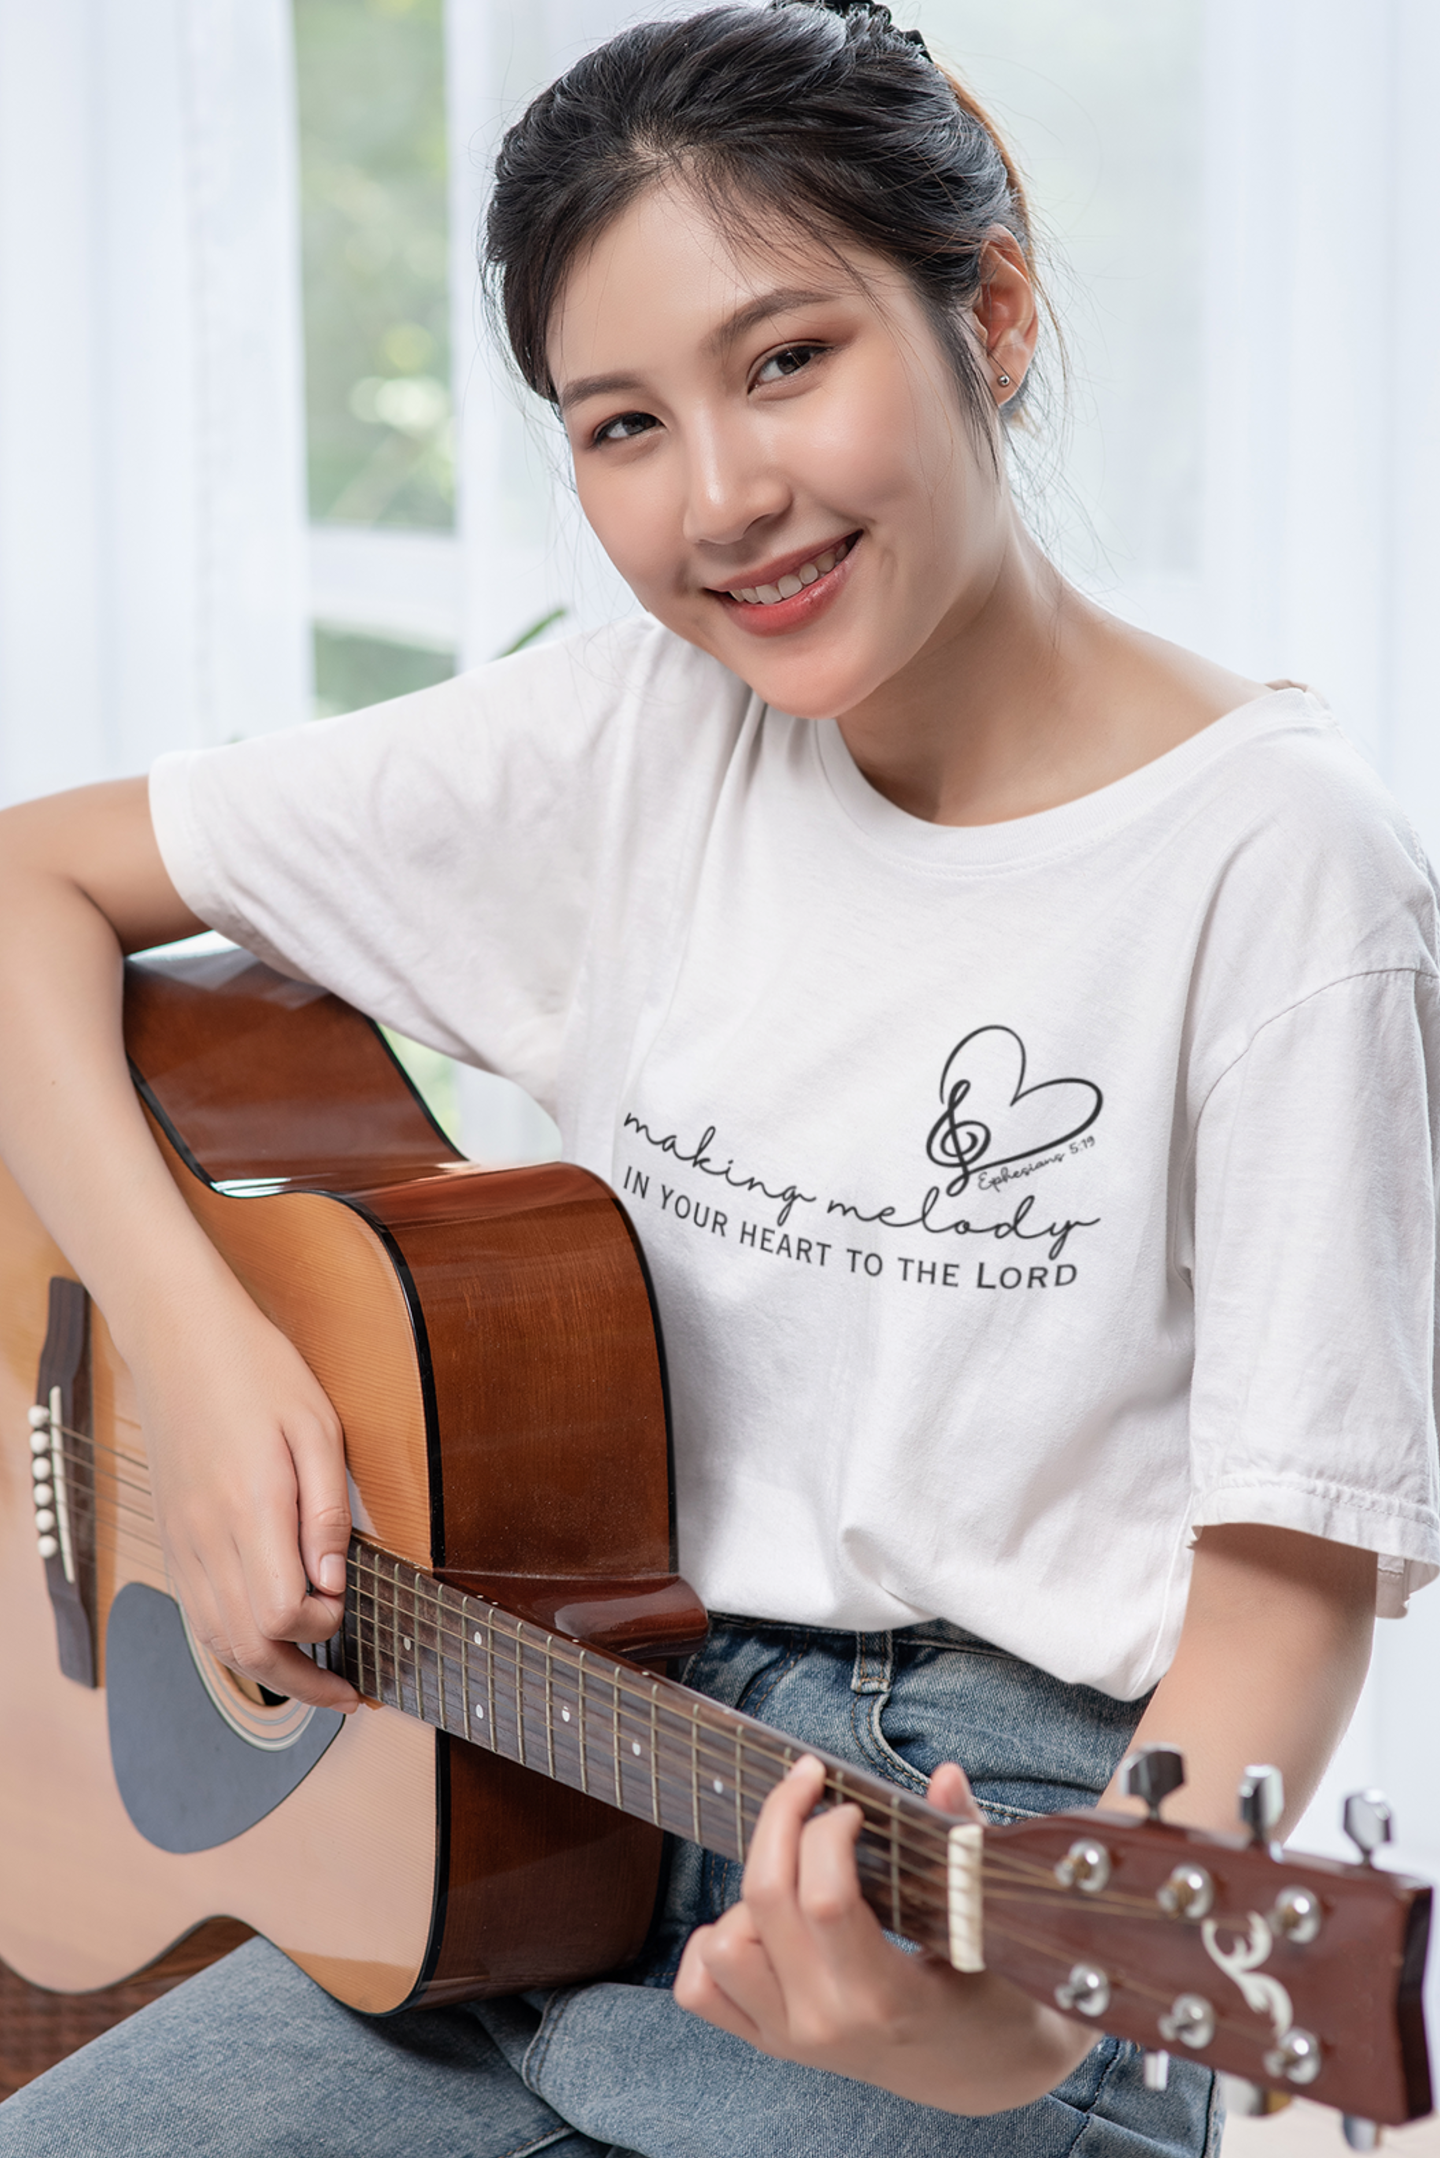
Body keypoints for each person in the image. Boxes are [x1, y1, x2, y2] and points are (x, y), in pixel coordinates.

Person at [0, 1, 1435, 2150]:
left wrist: (1027, 2021)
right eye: (621, 425)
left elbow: (1284, 1585)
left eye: (788, 360)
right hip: (516, 1807)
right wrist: (204, 1365)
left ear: (996, 311)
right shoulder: (633, 736)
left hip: (970, 1857)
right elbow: (30, 884)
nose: (724, 499)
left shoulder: (1282, 868)